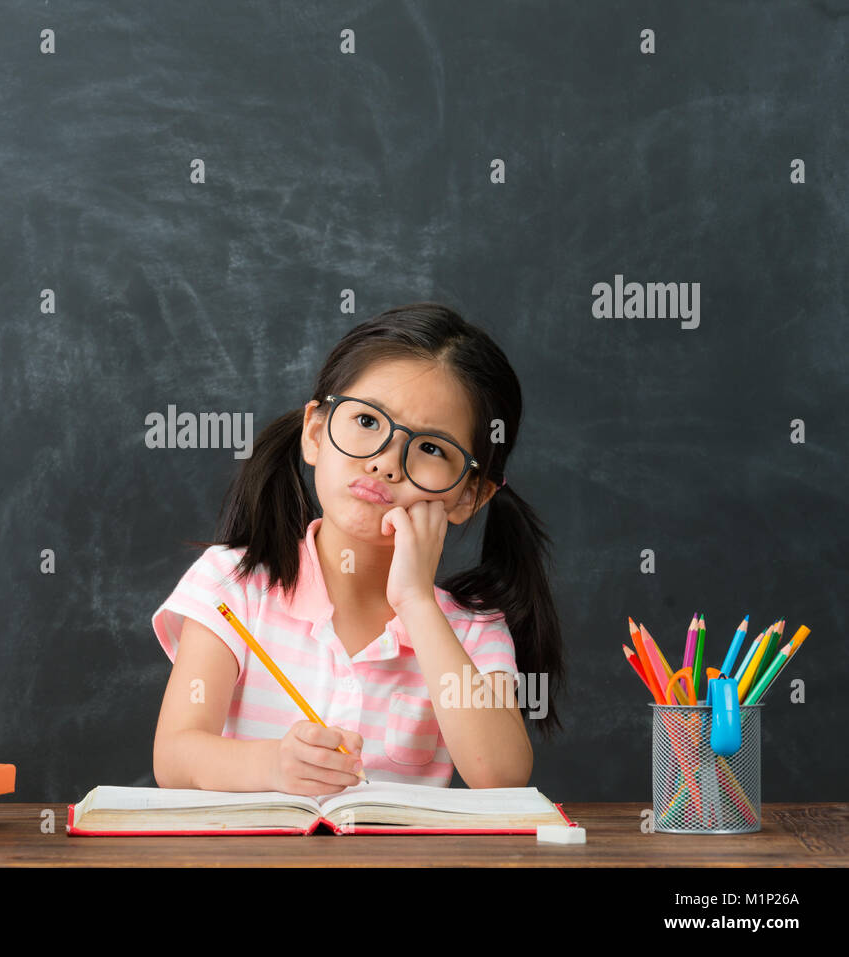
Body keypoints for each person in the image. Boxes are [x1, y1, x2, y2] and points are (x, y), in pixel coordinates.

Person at [151, 302, 565, 796]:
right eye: (367, 421)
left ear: (469, 495)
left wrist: (416, 603)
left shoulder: (472, 632)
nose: (386, 463)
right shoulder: (233, 583)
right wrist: (274, 767)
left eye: (431, 449)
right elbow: (174, 756)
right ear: (315, 432)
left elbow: (501, 777)